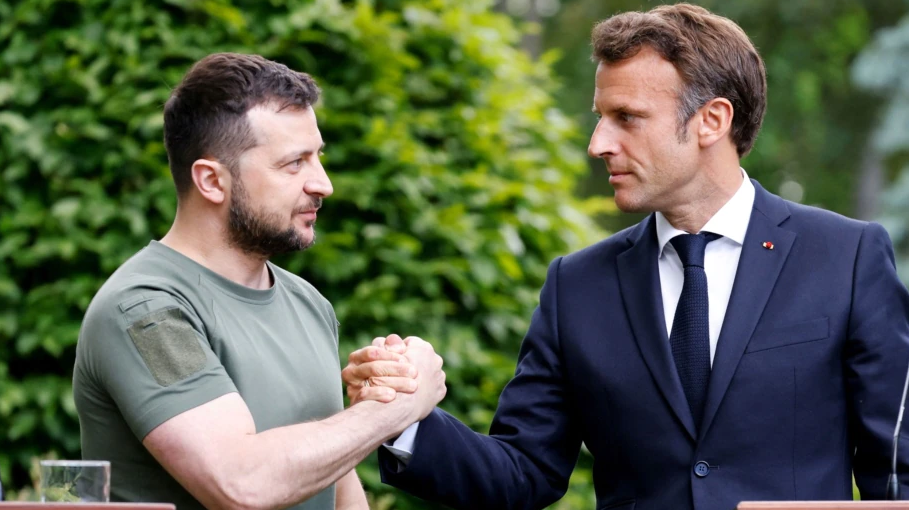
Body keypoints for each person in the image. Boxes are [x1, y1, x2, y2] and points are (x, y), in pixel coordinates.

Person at [342, 4, 909, 509]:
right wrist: (402, 418)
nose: (598, 143)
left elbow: (896, 469)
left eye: (627, 118)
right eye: (600, 116)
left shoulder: (846, 257)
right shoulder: (576, 285)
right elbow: (523, 472)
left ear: (712, 120)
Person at [73, 53, 446, 510]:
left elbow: (335, 481)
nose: (323, 184)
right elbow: (241, 483)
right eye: (294, 163)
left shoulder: (308, 303)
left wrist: (385, 391)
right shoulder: (145, 311)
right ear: (211, 181)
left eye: (318, 156)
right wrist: (397, 406)